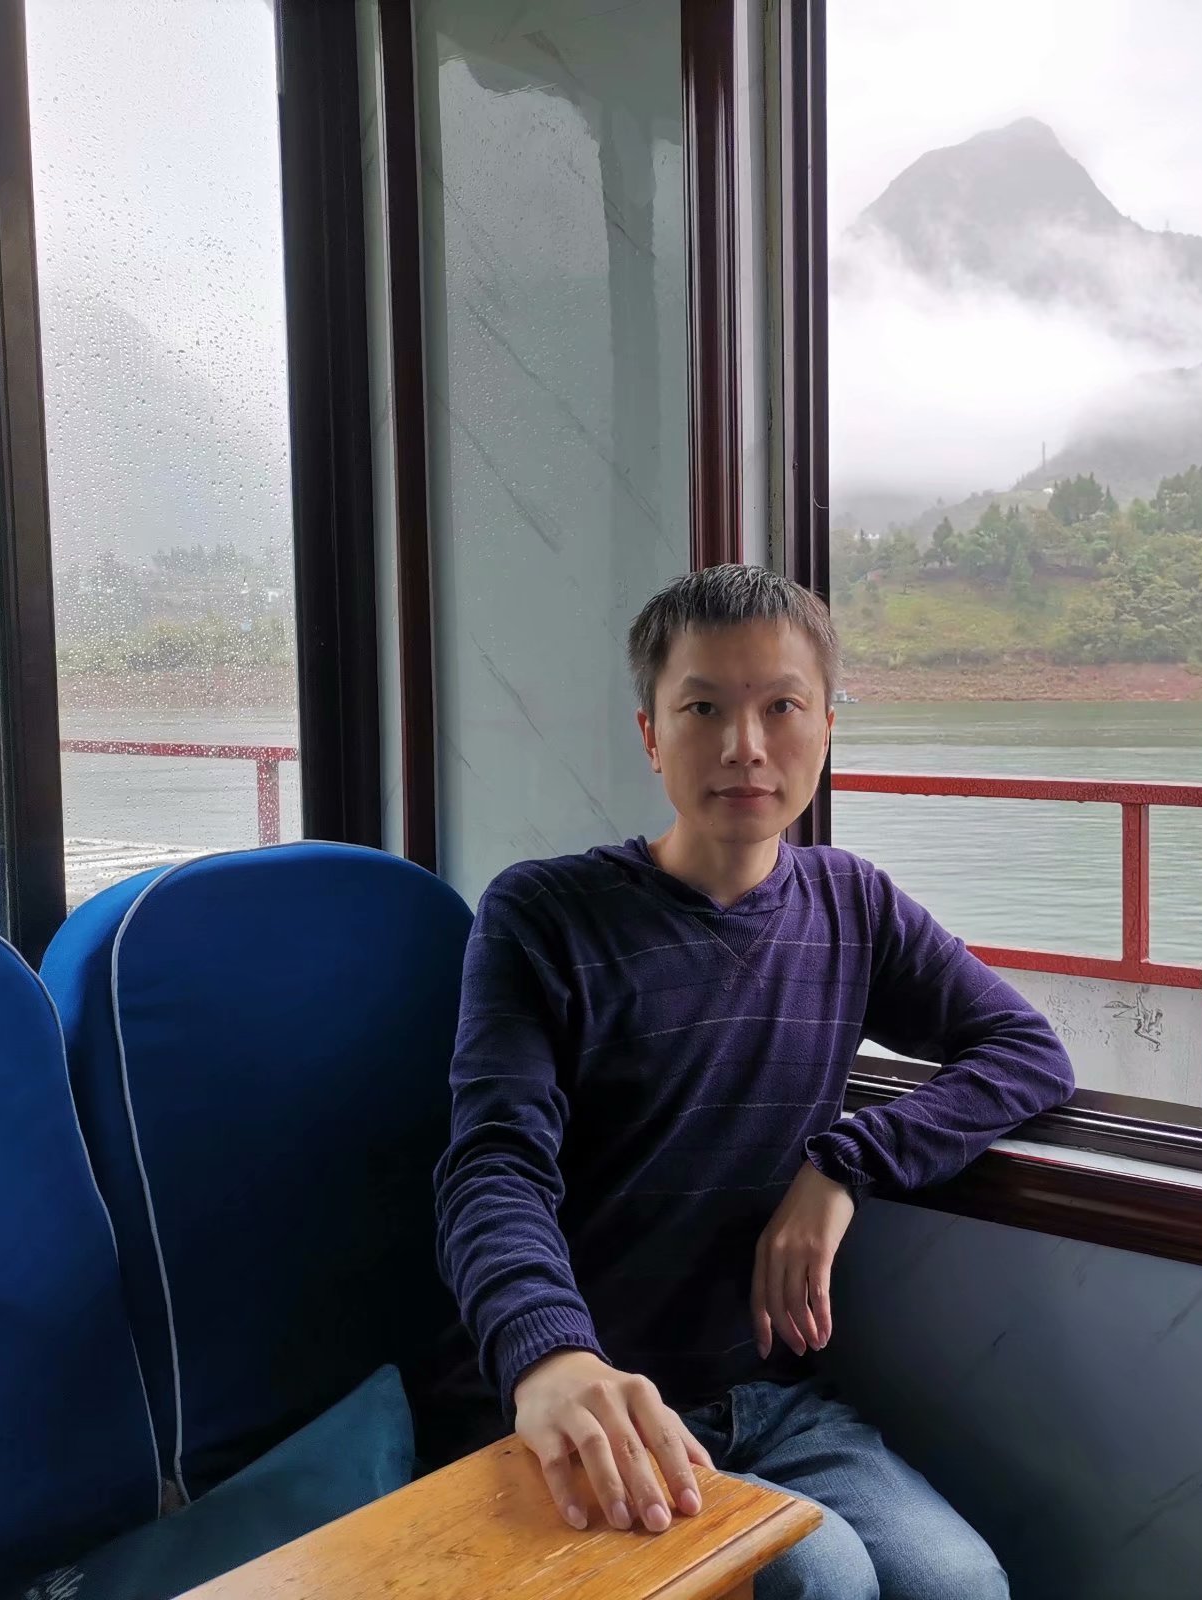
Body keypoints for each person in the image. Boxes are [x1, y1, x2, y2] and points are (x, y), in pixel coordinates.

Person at [432, 564, 1075, 1600]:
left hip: (768, 1398)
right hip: (593, 1399)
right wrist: (550, 1357)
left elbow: (1025, 1051)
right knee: (820, 1579)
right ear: (651, 734)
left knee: (958, 1583)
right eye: (704, 709)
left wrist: (843, 1164)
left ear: (826, 727)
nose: (745, 745)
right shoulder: (544, 915)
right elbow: (492, 1167)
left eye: (781, 706)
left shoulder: (850, 903)